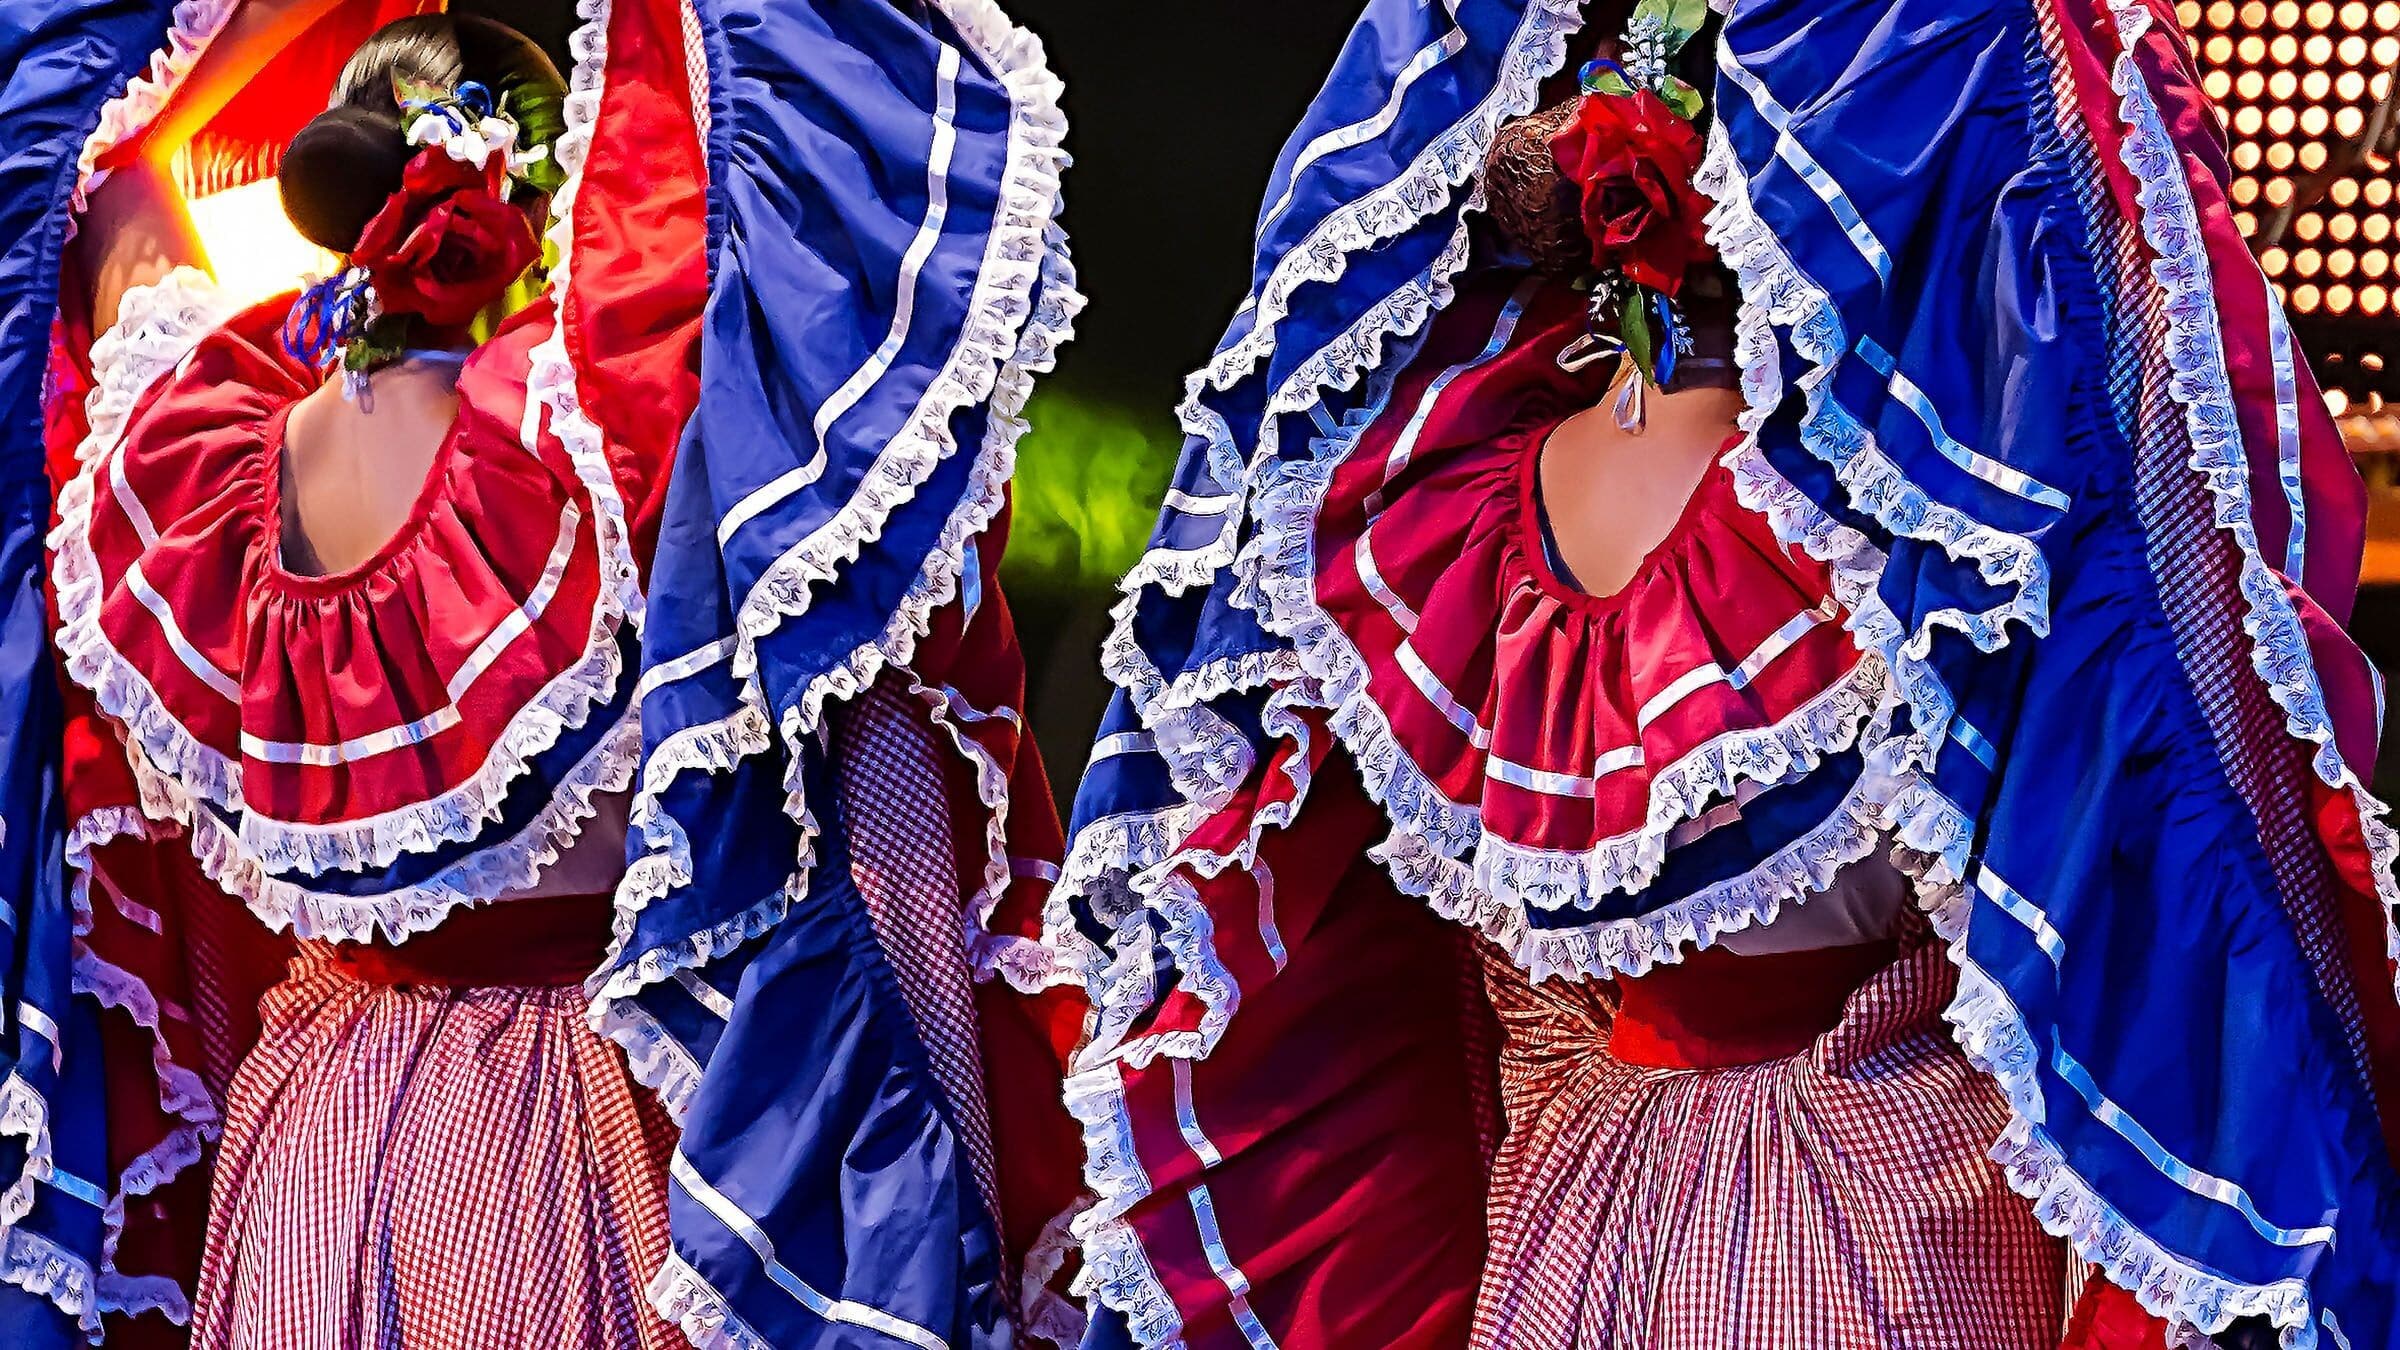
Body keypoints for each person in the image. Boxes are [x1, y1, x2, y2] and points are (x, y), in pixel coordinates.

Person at [1054, 0, 2400, 1347]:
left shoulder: (1432, 528)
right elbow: (2107, 930)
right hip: (1886, 1219)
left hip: (1568, 1219)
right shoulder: (1903, 538)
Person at [8, 1, 1087, 1346]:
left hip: (312, 1134)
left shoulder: (200, 467)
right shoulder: (596, 461)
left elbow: (97, 192)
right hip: (562, 1127)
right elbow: (750, 233)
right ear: (550, 192)